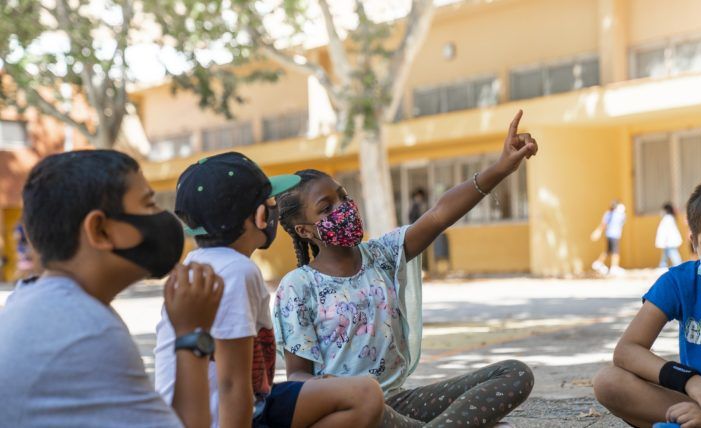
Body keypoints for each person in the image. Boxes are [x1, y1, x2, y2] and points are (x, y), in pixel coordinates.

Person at [274, 110, 537, 427]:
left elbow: (439, 215)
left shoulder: (382, 255)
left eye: (342, 196)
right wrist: (338, 389)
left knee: (514, 373)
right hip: (351, 410)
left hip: (398, 401)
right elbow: (297, 375)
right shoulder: (298, 287)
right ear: (304, 230)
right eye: (326, 207)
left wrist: (500, 168)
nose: (342, 208)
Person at [153, 152, 384, 428]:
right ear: (262, 216)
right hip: (227, 418)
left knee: (360, 393)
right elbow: (232, 385)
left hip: (244, 406)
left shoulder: (200, 264)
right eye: (272, 201)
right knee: (366, 397)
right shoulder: (238, 272)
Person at [0, 150, 224, 427]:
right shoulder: (85, 328)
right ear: (100, 230)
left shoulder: (33, 298)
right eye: (149, 205)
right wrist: (192, 333)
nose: (162, 218)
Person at [593, 174, 701, 427]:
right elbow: (628, 350)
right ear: (694, 242)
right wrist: (689, 380)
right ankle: (700, 421)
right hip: (697, 399)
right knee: (609, 382)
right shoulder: (679, 282)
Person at [591, 200, 627, 276]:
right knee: (615, 252)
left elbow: (603, 224)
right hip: (614, 235)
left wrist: (598, 231)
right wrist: (598, 231)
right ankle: (614, 267)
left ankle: (598, 262)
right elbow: (604, 224)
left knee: (608, 251)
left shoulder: (609, 214)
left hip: (609, 235)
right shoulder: (618, 214)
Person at [656, 203, 683, 269]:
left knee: (674, 256)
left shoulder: (668, 218)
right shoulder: (669, 218)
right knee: (665, 255)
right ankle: (662, 266)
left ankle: (680, 267)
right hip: (669, 242)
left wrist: (665, 241)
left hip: (669, 242)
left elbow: (668, 231)